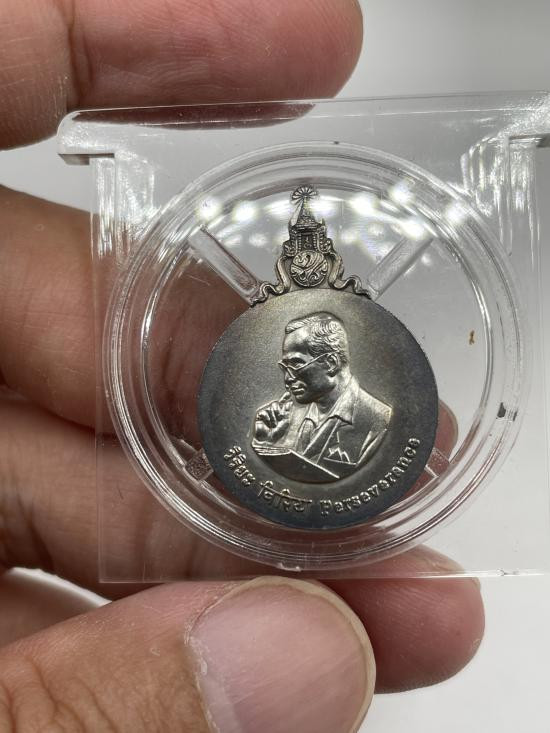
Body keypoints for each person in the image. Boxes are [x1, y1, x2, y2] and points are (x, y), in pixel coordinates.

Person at [0, 2, 484, 731]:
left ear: (335, 358)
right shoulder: (277, 421)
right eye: (282, 359)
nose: (284, 374)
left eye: (297, 360)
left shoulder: (379, 421)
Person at [254, 312, 391, 481]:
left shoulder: (377, 421)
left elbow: (356, 484)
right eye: (285, 367)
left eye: (296, 364)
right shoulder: (285, 418)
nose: (288, 379)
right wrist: (267, 444)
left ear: (331, 363)